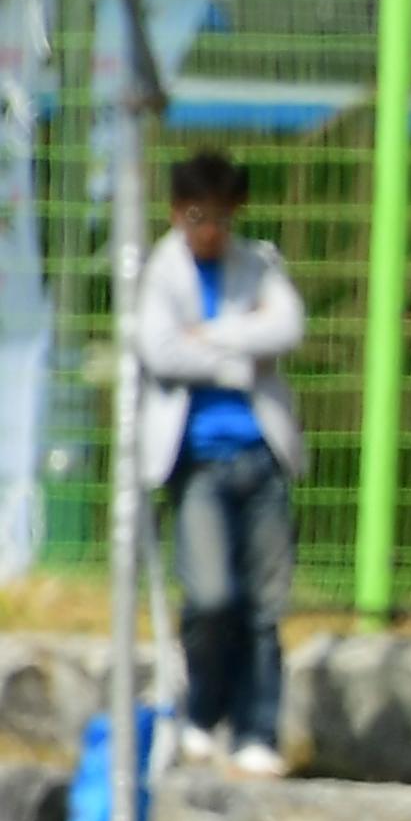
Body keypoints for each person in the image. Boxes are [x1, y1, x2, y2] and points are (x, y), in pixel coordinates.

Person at [130, 148, 304, 779]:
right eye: (199, 217)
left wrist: (208, 334)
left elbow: (286, 328)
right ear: (177, 213)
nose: (210, 232)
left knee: (264, 607)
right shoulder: (160, 271)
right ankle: (201, 712)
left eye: (222, 218)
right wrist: (237, 351)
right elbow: (162, 352)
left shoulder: (258, 264)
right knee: (210, 596)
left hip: (262, 457)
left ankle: (257, 730)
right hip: (198, 462)